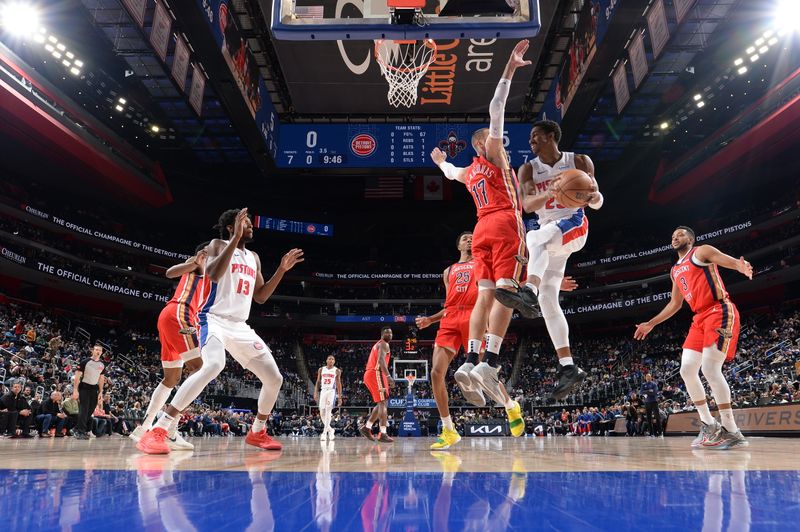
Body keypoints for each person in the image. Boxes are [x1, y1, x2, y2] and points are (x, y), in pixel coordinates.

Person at [138, 208, 304, 454]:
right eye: (245, 222)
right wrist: (235, 239)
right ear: (231, 226)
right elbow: (213, 274)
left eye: (249, 224)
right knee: (213, 365)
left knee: (274, 378)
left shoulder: (254, 258)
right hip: (212, 318)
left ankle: (257, 431)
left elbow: (260, 296)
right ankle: (159, 429)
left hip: (240, 325)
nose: (250, 226)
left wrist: (281, 270)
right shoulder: (217, 244)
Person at [429, 40, 532, 405]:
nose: (502, 143)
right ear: (485, 144)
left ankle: (471, 359)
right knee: (506, 291)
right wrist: (508, 70)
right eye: (496, 141)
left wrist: (440, 161)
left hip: (481, 227)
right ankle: (491, 360)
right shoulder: (493, 157)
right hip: (504, 223)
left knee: (484, 297)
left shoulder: (468, 170)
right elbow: (496, 107)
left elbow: (449, 170)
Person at [417, 232, 577, 449]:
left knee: (484, 372)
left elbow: (512, 278)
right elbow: (448, 303)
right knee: (436, 373)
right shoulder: (448, 271)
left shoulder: (485, 261)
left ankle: (510, 405)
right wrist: (430, 319)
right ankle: (448, 429)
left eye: (473, 236)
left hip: (475, 316)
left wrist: (553, 284)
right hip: (450, 318)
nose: (470, 239)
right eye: (465, 238)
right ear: (458, 245)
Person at [495, 119, 603, 400]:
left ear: (552, 135)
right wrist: (550, 192)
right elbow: (527, 205)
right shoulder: (529, 168)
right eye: (530, 138)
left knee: (535, 239)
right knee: (548, 301)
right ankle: (568, 367)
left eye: (536, 136)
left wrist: (593, 196)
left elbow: (596, 198)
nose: (531, 141)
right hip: (549, 234)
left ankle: (528, 289)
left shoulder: (578, 160)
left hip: (573, 224)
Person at [634, 226, 752, 449]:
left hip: (719, 310)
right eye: (672, 236)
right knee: (687, 369)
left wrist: (739, 265)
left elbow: (726, 259)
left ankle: (732, 430)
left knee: (709, 369)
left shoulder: (701, 251)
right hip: (699, 319)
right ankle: (709, 424)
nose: (675, 238)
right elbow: (675, 304)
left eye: (679, 234)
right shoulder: (675, 270)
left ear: (690, 238)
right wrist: (651, 323)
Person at [131, 242, 210, 451]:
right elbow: (170, 272)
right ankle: (169, 429)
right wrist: (194, 261)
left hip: (174, 318)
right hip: (179, 315)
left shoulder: (211, 278)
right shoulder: (197, 265)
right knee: (200, 368)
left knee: (172, 378)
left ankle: (144, 427)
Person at [360, 327, 394, 443]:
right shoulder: (384, 344)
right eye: (386, 332)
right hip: (376, 373)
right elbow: (380, 361)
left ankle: (367, 427)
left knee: (381, 403)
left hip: (371, 373)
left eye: (391, 333)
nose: (389, 334)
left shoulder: (378, 344)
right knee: (383, 402)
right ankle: (383, 433)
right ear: (381, 334)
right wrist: (389, 376)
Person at [72, 343, 105, 440]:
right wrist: (75, 390)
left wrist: (100, 392)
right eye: (96, 350)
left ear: (102, 352)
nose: (98, 351)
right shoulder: (85, 361)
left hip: (94, 389)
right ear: (93, 351)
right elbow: (77, 375)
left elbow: (101, 378)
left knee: (90, 411)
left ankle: (76, 428)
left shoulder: (102, 365)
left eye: (100, 350)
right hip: (84, 387)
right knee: (84, 409)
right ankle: (80, 431)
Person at [314, 355, 342, 441]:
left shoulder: (337, 370)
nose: (331, 360)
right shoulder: (321, 369)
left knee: (328, 411)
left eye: (333, 359)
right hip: (323, 391)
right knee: (322, 412)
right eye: (329, 359)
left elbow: (338, 383)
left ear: (334, 361)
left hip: (331, 391)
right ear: (326, 360)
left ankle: (324, 433)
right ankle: (330, 430)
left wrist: (340, 397)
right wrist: (315, 392)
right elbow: (318, 381)